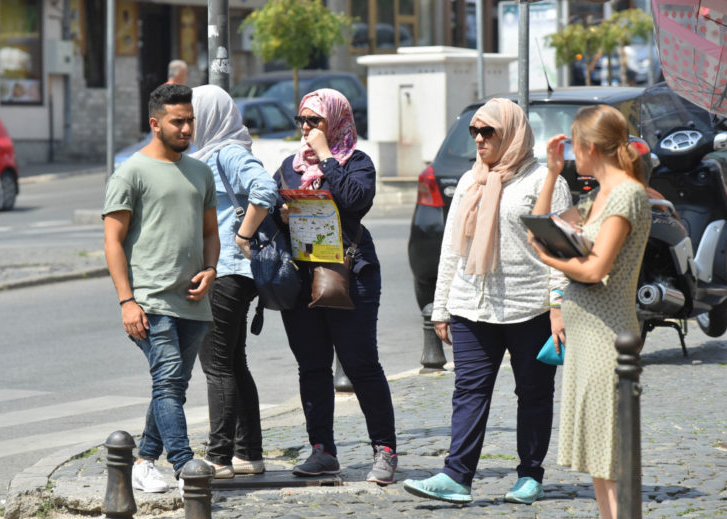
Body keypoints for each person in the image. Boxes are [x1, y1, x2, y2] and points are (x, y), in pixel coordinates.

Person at [402, 98, 572, 505]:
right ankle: (456, 476)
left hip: (528, 307)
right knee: (469, 391)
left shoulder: (543, 182)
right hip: (471, 307)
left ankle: (530, 474)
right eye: (474, 132)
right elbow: (450, 249)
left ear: (510, 133)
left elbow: (560, 252)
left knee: (533, 393)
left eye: (488, 132)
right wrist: (441, 305)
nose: (478, 139)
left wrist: (557, 307)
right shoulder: (469, 181)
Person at [529, 104, 651, 519]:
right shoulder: (599, 195)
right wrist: (550, 172)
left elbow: (597, 268)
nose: (572, 153)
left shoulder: (626, 194)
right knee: (599, 460)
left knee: (610, 457)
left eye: (574, 144)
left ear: (589, 146)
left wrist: (552, 263)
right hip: (587, 336)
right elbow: (541, 224)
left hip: (607, 336)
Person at [276, 88, 398, 485]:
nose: (308, 129)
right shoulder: (289, 168)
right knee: (312, 367)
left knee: (361, 364)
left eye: (316, 121)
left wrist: (327, 155)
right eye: (303, 121)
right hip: (303, 280)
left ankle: (384, 449)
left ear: (336, 122)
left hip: (351, 274)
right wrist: (279, 214)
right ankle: (322, 450)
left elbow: (355, 200)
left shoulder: (356, 163)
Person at [103, 83, 219, 494]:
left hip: (193, 300)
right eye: (178, 121)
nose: (187, 127)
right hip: (149, 300)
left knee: (172, 386)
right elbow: (113, 240)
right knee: (169, 379)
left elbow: (210, 232)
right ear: (155, 124)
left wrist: (211, 268)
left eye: (190, 119)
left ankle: (144, 461)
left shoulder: (200, 171)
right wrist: (127, 301)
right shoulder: (131, 171)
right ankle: (186, 464)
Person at [190, 84, 278, 478]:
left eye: (193, 116)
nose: (190, 125)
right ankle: (248, 453)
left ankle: (219, 456)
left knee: (217, 366)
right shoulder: (211, 152)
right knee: (233, 363)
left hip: (227, 270)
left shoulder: (228, 151)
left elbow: (265, 188)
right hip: (231, 272)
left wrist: (242, 235)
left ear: (210, 116)